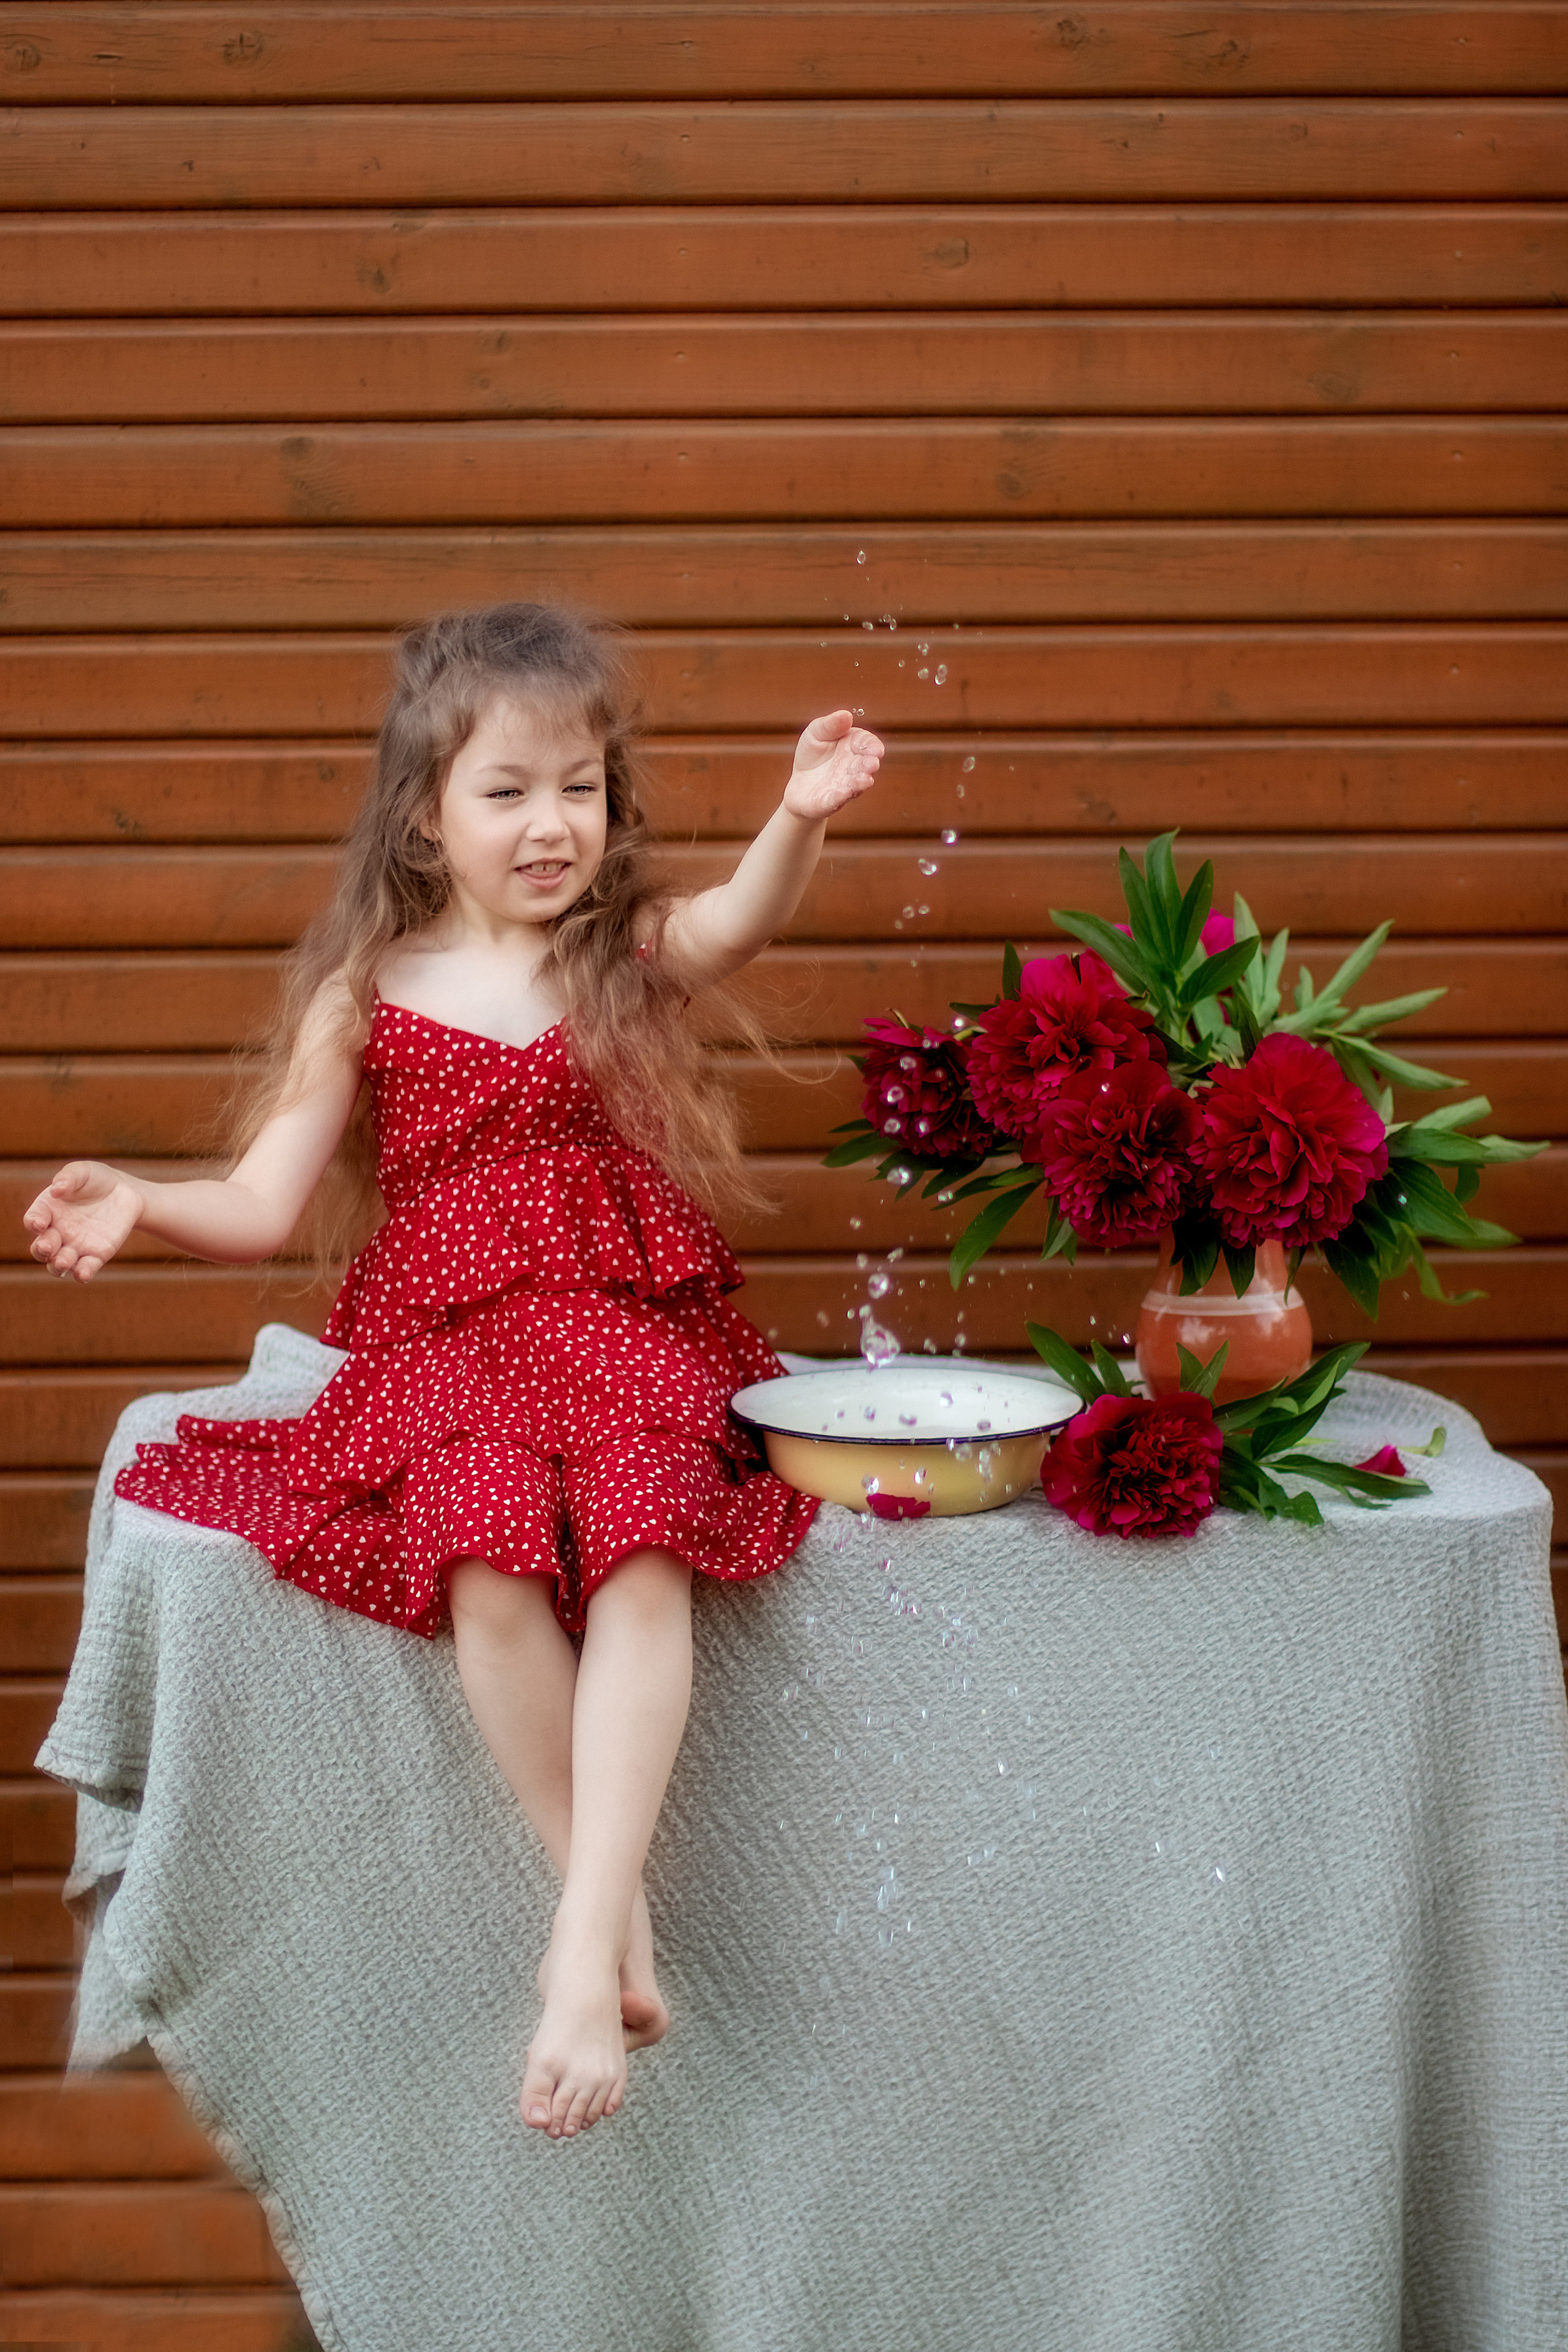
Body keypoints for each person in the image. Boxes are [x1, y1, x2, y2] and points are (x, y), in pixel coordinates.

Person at [24, 602, 883, 2143]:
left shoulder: (616, 956)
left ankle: (574, 1951)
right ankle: (605, 1923)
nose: (553, 824)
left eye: (581, 786)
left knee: (639, 1551)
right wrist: (148, 1203)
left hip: (626, 1333)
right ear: (425, 813)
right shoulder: (367, 989)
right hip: (449, 1350)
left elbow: (737, 922)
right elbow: (264, 1204)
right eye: (507, 790)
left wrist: (795, 819)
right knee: (486, 1563)